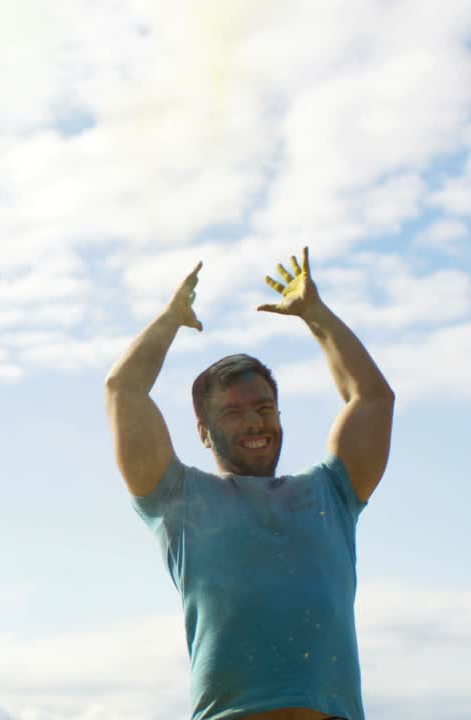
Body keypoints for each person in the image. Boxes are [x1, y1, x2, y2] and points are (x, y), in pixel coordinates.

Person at [104, 248, 395, 720]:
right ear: (204, 431)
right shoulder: (180, 501)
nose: (254, 423)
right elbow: (124, 391)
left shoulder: (330, 493)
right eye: (233, 413)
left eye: (264, 408)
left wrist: (317, 316)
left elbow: (373, 398)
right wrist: (170, 320)